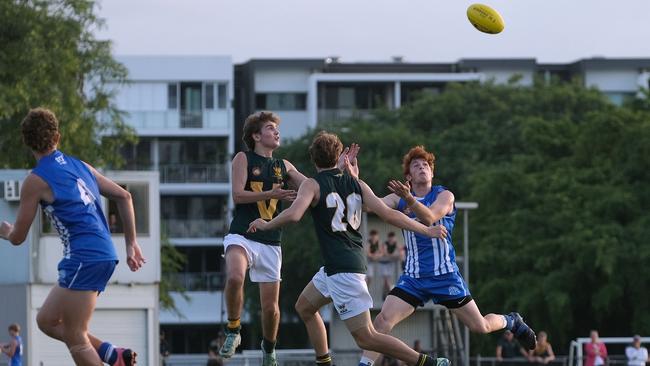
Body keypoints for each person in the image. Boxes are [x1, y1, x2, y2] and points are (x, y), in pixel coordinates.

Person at [248, 132, 450, 366]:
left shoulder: (313, 184)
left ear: (313, 159)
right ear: (338, 157)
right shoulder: (357, 184)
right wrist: (425, 229)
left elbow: (293, 215)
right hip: (337, 267)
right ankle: (324, 361)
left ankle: (426, 362)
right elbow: (388, 213)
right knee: (304, 307)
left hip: (344, 271)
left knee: (367, 338)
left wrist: (266, 224)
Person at [358, 145, 537, 366]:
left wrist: (411, 201)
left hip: (445, 276)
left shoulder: (444, 195)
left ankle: (511, 321)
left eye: (426, 165)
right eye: (416, 165)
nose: (422, 167)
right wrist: (345, 185)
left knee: (480, 326)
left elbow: (430, 217)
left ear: (432, 173)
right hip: (414, 278)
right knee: (382, 321)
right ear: (408, 176)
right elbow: (368, 206)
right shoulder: (398, 199)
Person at [0, 108, 146, 366]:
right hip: (100, 254)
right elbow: (125, 196)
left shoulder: (35, 181)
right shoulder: (81, 166)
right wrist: (131, 243)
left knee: (74, 335)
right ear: (58, 136)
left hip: (84, 257)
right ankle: (113, 355)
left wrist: (4, 230)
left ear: (26, 142)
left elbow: (18, 237)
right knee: (46, 320)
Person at [220, 111, 307, 366]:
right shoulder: (243, 158)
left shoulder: (285, 166)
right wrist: (272, 193)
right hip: (242, 234)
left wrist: (338, 173)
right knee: (235, 276)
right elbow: (237, 195)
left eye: (276, 128)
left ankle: (269, 350)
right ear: (256, 136)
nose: (276, 132)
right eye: (270, 128)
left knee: (271, 309)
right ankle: (233, 330)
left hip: (271, 241)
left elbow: (310, 187)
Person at [379, 232, 402, 299]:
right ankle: (391, 294)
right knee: (386, 280)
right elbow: (386, 254)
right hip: (383, 263)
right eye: (390, 238)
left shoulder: (396, 243)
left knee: (387, 281)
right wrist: (395, 256)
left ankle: (385, 295)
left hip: (390, 263)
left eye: (393, 238)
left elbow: (400, 252)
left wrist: (396, 255)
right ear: (388, 238)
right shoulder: (385, 244)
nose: (392, 239)